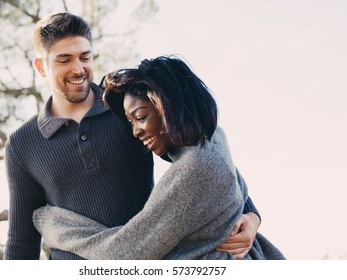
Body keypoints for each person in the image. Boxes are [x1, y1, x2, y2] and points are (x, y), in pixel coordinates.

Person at [4, 12, 261, 260]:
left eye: (85, 57)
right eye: (64, 60)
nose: (78, 69)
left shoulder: (124, 107)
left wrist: (250, 216)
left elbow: (201, 149)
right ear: (41, 66)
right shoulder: (22, 145)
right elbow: (21, 243)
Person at [33, 56, 285, 260]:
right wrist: (252, 216)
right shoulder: (213, 139)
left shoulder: (192, 170)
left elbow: (124, 253)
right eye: (131, 122)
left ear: (168, 109)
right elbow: (233, 182)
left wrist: (50, 222)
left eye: (141, 117)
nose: (135, 131)